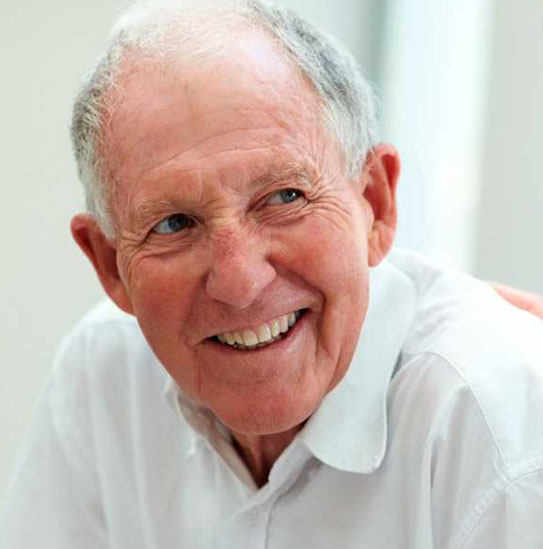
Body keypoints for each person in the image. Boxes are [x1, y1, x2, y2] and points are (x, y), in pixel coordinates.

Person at [1, 1, 542, 547]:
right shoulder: (105, 373)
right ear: (109, 264)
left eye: (285, 197)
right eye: (174, 224)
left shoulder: (498, 422)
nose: (240, 283)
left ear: (374, 204)